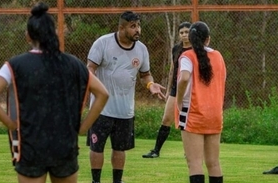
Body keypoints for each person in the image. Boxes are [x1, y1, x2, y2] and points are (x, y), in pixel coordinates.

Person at [0, 2, 109, 183]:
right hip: (65, 146)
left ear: (28, 36)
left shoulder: (15, 64)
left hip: (31, 146)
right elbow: (103, 93)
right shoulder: (74, 64)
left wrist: (9, 123)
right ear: (54, 33)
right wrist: (84, 127)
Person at [86, 11, 165, 183]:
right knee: (97, 147)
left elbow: (145, 75)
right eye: (133, 26)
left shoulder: (142, 49)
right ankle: (95, 181)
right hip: (101, 109)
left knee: (119, 148)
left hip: (125, 111)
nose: (138, 30)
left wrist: (151, 85)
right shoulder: (103, 43)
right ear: (121, 27)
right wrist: (92, 85)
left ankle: (117, 181)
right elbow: (90, 68)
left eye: (138, 26)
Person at [176, 21, 226, 183]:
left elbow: (183, 78)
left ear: (190, 39)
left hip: (194, 113)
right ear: (208, 39)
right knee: (213, 163)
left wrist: (178, 101)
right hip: (215, 114)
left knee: (195, 163)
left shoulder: (187, 56)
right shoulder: (218, 56)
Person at [142, 21, 192, 158]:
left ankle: (191, 151)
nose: (184, 35)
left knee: (189, 122)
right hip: (177, 89)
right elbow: (173, 71)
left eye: (187, 32)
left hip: (192, 91)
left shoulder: (196, 49)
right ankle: (156, 151)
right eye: (181, 32)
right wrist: (170, 89)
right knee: (166, 119)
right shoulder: (176, 49)